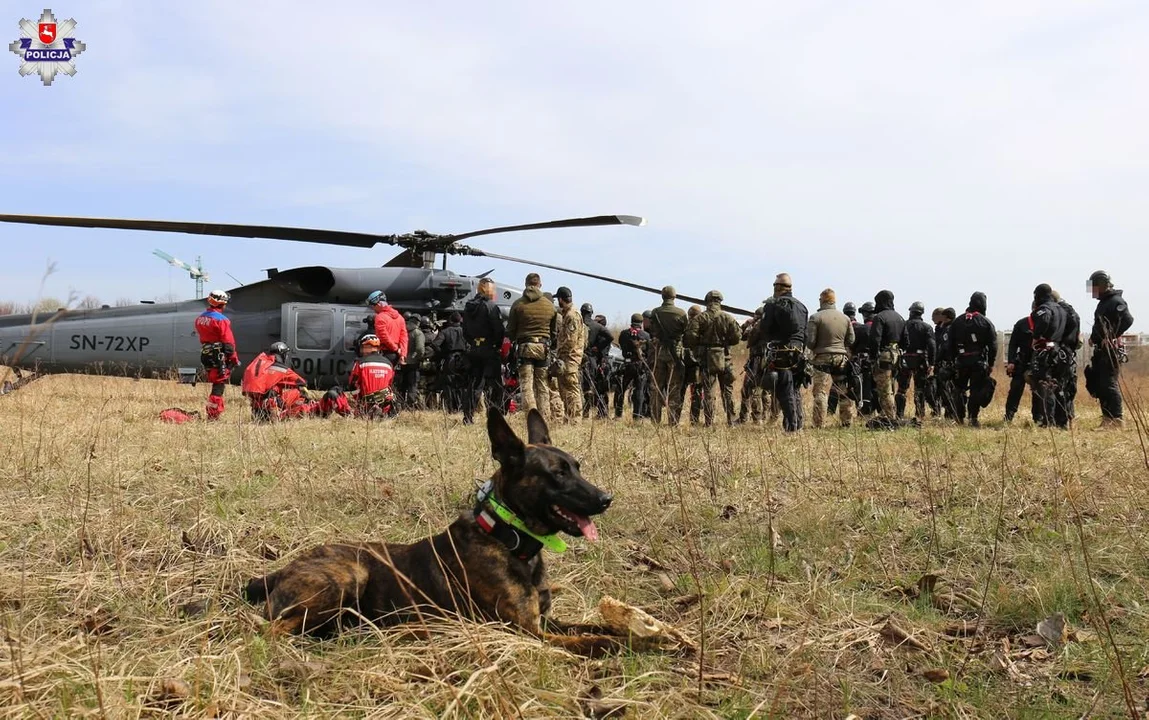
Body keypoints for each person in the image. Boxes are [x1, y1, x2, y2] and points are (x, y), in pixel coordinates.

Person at [684, 290, 742, 426]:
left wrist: (700, 343)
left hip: (706, 359)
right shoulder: (728, 318)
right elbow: (737, 337)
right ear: (720, 302)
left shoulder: (700, 318)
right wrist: (725, 342)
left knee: (708, 391)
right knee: (727, 390)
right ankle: (732, 420)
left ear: (707, 301)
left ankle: (709, 422)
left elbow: (690, 338)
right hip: (725, 358)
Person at [761, 273, 808, 432]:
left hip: (782, 352)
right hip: (799, 353)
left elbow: (766, 330)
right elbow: (804, 332)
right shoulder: (802, 306)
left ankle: (792, 427)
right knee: (794, 389)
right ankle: (797, 423)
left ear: (777, 287)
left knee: (784, 390)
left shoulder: (773, 304)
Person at [1086, 270, 1134, 426]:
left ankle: (1117, 419)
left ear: (1101, 285)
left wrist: (1112, 336)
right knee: (1100, 384)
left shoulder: (1116, 301)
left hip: (1111, 350)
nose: (1091, 291)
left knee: (1109, 384)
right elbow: (1101, 325)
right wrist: (1094, 338)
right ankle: (1107, 419)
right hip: (1101, 350)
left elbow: (1127, 320)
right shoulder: (1103, 303)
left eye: (1093, 287)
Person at [507, 273, 557, 418]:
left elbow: (510, 330)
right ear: (539, 285)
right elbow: (554, 332)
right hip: (543, 347)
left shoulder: (518, 304)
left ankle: (531, 417)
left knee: (526, 385)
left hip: (525, 348)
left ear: (526, 284)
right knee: (542, 385)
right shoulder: (549, 306)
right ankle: (545, 417)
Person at [806, 288, 855, 428]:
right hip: (841, 358)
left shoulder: (815, 317)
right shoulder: (845, 318)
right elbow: (851, 340)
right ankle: (846, 422)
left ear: (822, 300)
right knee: (843, 389)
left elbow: (810, 342)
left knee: (820, 390)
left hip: (822, 357)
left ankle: (818, 423)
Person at [947, 292, 997, 427]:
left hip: (961, 361)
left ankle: (959, 417)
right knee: (976, 389)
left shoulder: (957, 321)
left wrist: (953, 360)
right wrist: (991, 363)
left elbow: (949, 344)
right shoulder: (985, 322)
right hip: (978, 362)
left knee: (958, 389)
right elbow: (993, 345)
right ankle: (973, 418)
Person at [461, 278, 506, 424]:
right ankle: (494, 417)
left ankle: (468, 417)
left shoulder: (468, 308)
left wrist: (474, 343)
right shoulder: (491, 307)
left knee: (474, 384)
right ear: (489, 290)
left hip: (474, 348)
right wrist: (496, 345)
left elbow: (465, 331)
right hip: (489, 349)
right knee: (495, 385)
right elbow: (498, 330)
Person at [241, 342, 317, 421]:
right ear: (282, 355)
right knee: (299, 392)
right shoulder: (280, 368)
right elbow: (301, 382)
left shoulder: (262, 364)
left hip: (256, 408)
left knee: (276, 387)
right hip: (271, 405)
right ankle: (289, 412)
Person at [195, 289, 240, 420]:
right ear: (222, 304)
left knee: (215, 383)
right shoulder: (222, 320)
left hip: (206, 355)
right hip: (218, 357)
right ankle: (213, 416)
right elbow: (229, 343)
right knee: (218, 386)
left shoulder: (200, 318)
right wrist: (233, 359)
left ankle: (212, 413)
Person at [1029, 284, 1069, 427]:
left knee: (1046, 386)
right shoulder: (1062, 309)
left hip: (1045, 351)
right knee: (1058, 386)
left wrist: (1036, 337)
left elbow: (1044, 320)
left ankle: (1048, 420)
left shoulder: (1044, 309)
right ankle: (1062, 421)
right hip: (1059, 351)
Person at [648, 286, 688, 425]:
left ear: (662, 296)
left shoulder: (655, 312)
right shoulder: (681, 313)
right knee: (674, 387)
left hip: (659, 352)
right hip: (675, 352)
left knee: (657, 387)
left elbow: (652, 329)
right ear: (674, 296)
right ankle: (673, 421)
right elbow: (686, 331)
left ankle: (655, 420)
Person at [868, 290, 905, 424]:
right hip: (897, 355)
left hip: (884, 356)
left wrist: (873, 357)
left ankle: (890, 417)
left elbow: (875, 339)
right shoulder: (900, 317)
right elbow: (906, 340)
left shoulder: (879, 317)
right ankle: (889, 413)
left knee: (884, 389)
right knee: (891, 386)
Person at [896, 301, 936, 421]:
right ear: (922, 313)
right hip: (920, 360)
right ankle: (919, 414)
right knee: (920, 388)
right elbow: (932, 345)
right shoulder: (927, 327)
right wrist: (932, 363)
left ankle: (899, 414)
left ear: (911, 311)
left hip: (905, 359)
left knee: (901, 389)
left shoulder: (903, 325)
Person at [552, 286, 587, 423]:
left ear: (561, 299)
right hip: (567, 358)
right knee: (565, 390)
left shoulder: (572, 315)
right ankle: (569, 416)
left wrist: (559, 351)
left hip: (570, 358)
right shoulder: (568, 314)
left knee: (572, 390)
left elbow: (570, 340)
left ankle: (575, 420)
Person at [347, 334, 398, 418]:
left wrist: (358, 399)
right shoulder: (389, 364)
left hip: (365, 406)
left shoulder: (360, 363)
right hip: (385, 405)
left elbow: (352, 384)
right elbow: (390, 384)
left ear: (366, 347)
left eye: (363, 347)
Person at [1004, 312, 1038, 424]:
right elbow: (1013, 344)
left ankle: (1038, 418)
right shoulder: (1022, 324)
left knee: (1038, 390)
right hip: (1022, 361)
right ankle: (1009, 416)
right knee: (1015, 389)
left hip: (1038, 362)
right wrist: (1011, 361)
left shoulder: (1047, 323)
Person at [615, 313, 651, 420]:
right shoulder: (646, 335)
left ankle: (618, 414)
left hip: (627, 364)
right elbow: (649, 351)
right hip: (640, 366)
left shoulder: (624, 334)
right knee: (639, 390)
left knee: (621, 389)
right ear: (641, 323)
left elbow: (621, 346)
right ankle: (637, 416)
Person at [581, 303, 613, 419]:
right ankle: (597, 412)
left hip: (596, 363)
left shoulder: (579, 322)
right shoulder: (598, 330)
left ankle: (600, 413)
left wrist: (598, 348)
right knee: (594, 388)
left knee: (594, 388)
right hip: (595, 361)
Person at [1054, 290, 1082, 424]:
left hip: (1060, 352)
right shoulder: (1072, 312)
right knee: (1068, 385)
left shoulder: (1058, 312)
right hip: (1070, 352)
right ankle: (1070, 418)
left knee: (1059, 385)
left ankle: (1061, 420)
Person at [431, 312, 468, 413]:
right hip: (463, 359)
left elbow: (435, 344)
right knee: (461, 384)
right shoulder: (465, 331)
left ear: (450, 320)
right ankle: (461, 407)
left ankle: (451, 408)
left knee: (449, 384)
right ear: (460, 320)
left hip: (450, 359)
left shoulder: (445, 332)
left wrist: (442, 353)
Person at [737, 306, 767, 424]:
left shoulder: (758, 326)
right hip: (766, 360)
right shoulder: (771, 326)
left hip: (757, 360)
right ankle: (764, 416)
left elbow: (747, 339)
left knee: (749, 389)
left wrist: (749, 325)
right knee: (766, 391)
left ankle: (751, 418)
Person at [366, 291, 408, 367]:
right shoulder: (400, 317)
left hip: (385, 354)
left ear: (378, 304)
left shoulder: (380, 317)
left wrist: (395, 348)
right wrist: (402, 353)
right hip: (397, 356)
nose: (373, 309)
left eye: (373, 306)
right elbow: (404, 337)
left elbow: (383, 336)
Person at [397, 312, 425, 410]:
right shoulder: (417, 333)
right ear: (418, 322)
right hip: (413, 363)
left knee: (402, 385)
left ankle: (399, 404)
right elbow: (420, 349)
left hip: (401, 360)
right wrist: (416, 357)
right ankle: (410, 406)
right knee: (412, 385)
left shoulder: (402, 330)